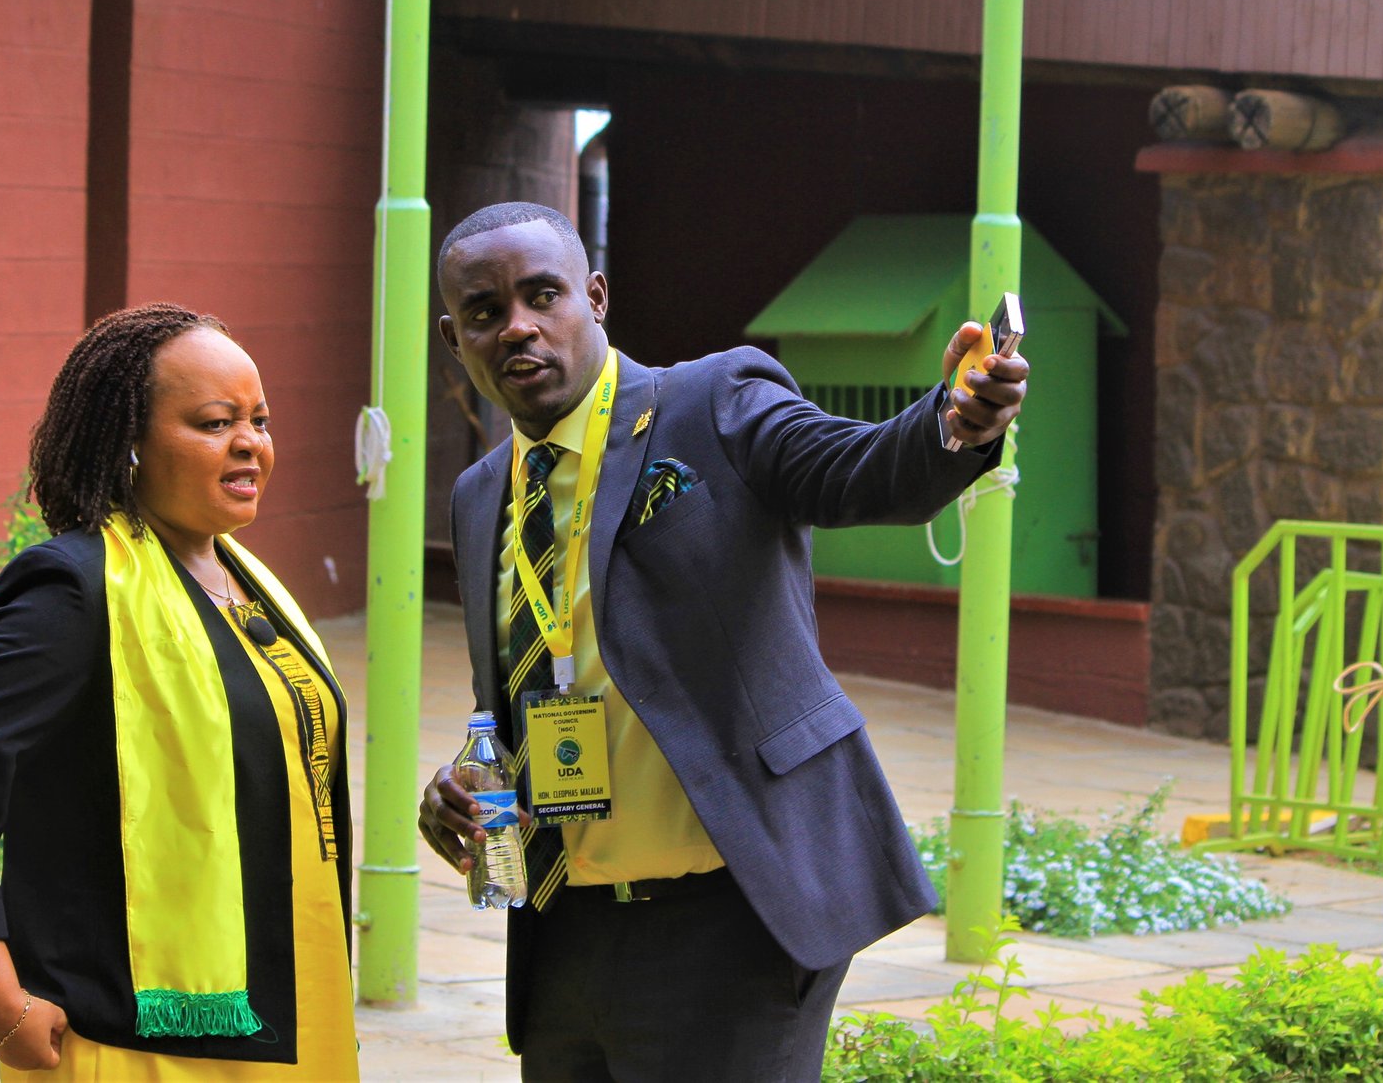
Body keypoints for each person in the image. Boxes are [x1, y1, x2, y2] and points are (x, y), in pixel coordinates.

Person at [417, 202, 1028, 1081]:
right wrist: (468, 784)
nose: (517, 326)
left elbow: (855, 469)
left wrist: (956, 421)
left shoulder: (711, 403)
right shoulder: (482, 496)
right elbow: (532, 687)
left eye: (541, 295)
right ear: (454, 337)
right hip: (563, 937)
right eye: (484, 311)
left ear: (593, 296)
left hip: (729, 919)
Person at [0, 303, 359, 1080]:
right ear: (129, 444)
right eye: (214, 422)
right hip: (139, 1041)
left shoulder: (247, 580)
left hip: (291, 1011)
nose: (249, 442)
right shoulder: (76, 590)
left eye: (260, 420)